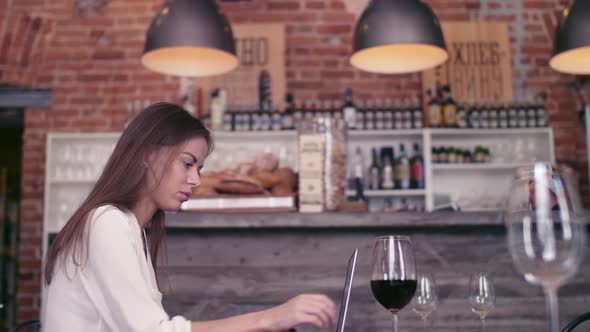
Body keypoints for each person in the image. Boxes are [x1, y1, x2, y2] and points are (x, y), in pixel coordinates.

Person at [42, 102, 337, 332]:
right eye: (187, 164)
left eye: (199, 169)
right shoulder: (105, 223)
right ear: (148, 155)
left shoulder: (131, 229)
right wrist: (272, 318)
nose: (195, 180)